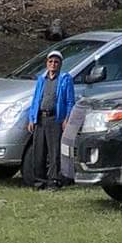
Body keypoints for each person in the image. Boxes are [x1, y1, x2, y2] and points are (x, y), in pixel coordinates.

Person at [25, 48, 75, 190]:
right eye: (50, 61)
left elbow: (70, 101)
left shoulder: (65, 79)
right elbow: (36, 99)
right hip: (41, 118)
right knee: (39, 152)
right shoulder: (42, 79)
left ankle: (54, 181)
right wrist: (32, 118)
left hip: (55, 119)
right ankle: (39, 181)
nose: (53, 64)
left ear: (60, 64)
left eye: (56, 62)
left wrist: (67, 118)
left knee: (54, 152)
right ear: (47, 63)